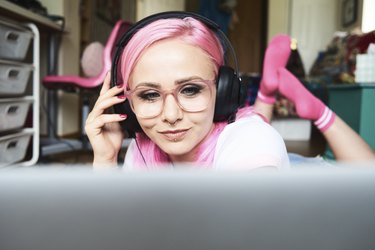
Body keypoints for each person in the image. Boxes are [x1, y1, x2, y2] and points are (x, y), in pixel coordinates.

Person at [85, 12, 289, 169]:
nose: (171, 116)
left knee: (259, 121)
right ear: (126, 104)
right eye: (149, 95)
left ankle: (267, 96)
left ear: (223, 90)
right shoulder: (140, 151)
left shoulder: (252, 141)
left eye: (190, 90)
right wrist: (105, 161)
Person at [255, 35, 375, 162]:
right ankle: (319, 111)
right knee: (370, 174)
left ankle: (266, 93)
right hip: (307, 171)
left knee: (252, 159)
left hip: (262, 169)